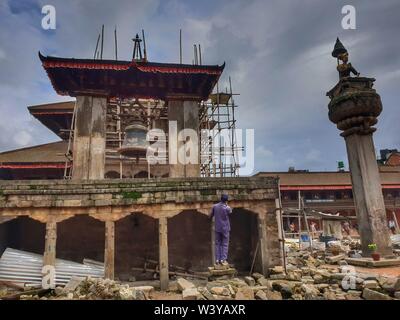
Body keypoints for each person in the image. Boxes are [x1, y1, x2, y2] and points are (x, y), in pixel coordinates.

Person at [210, 194, 232, 267]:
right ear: (226, 201)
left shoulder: (215, 206)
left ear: (220, 199)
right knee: (225, 244)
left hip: (218, 228)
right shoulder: (227, 208)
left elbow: (211, 215)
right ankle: (223, 259)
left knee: (217, 244)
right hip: (225, 228)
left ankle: (217, 259)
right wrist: (226, 205)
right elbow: (230, 212)